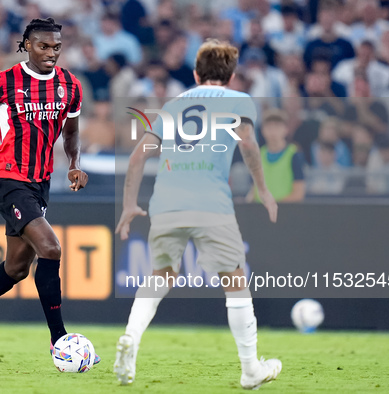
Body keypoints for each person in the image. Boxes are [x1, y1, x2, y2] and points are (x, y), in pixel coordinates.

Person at [114, 39, 281, 390]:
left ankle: (131, 336)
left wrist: (129, 205)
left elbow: (137, 158)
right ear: (232, 76)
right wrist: (263, 189)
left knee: (160, 275)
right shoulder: (239, 100)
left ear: (195, 74)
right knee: (234, 280)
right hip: (211, 202)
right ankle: (250, 369)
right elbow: (248, 144)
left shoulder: (174, 104)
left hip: (166, 201)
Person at [0, 18, 99, 366]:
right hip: (6, 178)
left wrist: (74, 162)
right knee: (51, 247)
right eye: (44, 46)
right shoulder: (4, 80)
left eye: (56, 47)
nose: (51, 53)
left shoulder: (70, 86)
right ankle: (60, 340)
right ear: (27, 45)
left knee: (16, 269)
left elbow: (71, 133)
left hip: (39, 183)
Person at [250, 109, 306, 203]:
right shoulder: (257, 154)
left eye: (277, 127)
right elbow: (254, 188)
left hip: (285, 213)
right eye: (269, 127)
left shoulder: (294, 154)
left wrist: (274, 205)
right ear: (263, 130)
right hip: (260, 213)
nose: (273, 132)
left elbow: (299, 193)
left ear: (286, 129)